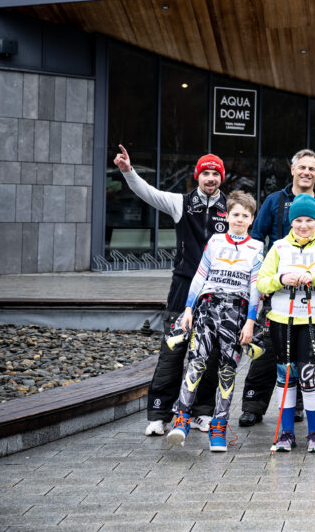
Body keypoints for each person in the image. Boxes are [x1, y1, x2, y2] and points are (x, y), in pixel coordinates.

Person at [112, 144, 225, 437]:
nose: (210, 179)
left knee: (210, 355)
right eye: (205, 173)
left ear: (221, 178)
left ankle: (202, 413)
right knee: (173, 352)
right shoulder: (181, 203)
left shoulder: (232, 207)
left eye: (215, 174)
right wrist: (129, 173)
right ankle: (159, 414)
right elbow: (149, 193)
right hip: (183, 286)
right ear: (197, 176)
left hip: (218, 289)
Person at [239, 149, 315, 428]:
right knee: (270, 350)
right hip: (276, 289)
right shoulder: (274, 201)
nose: (306, 172)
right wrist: (261, 281)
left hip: (312, 292)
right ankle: (253, 405)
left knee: (307, 353)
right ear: (292, 170)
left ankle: (300, 406)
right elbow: (256, 241)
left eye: (311, 168)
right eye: (301, 167)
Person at [166, 191, 264, 452]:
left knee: (227, 371)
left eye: (245, 216)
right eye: (235, 215)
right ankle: (182, 418)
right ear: (227, 215)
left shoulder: (257, 248)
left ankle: (218, 428)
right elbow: (199, 276)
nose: (239, 220)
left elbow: (256, 288)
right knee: (196, 362)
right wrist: (188, 309)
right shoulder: (215, 241)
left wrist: (251, 322)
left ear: (252, 219)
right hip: (208, 308)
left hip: (237, 312)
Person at [256, 194, 315, 454]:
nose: (304, 225)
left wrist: (312, 276)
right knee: (286, 375)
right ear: (291, 221)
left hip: (313, 319)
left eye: (309, 220)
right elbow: (262, 282)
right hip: (282, 319)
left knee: (309, 376)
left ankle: (314, 434)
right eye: (298, 220)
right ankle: (286, 433)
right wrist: (283, 277)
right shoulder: (280, 247)